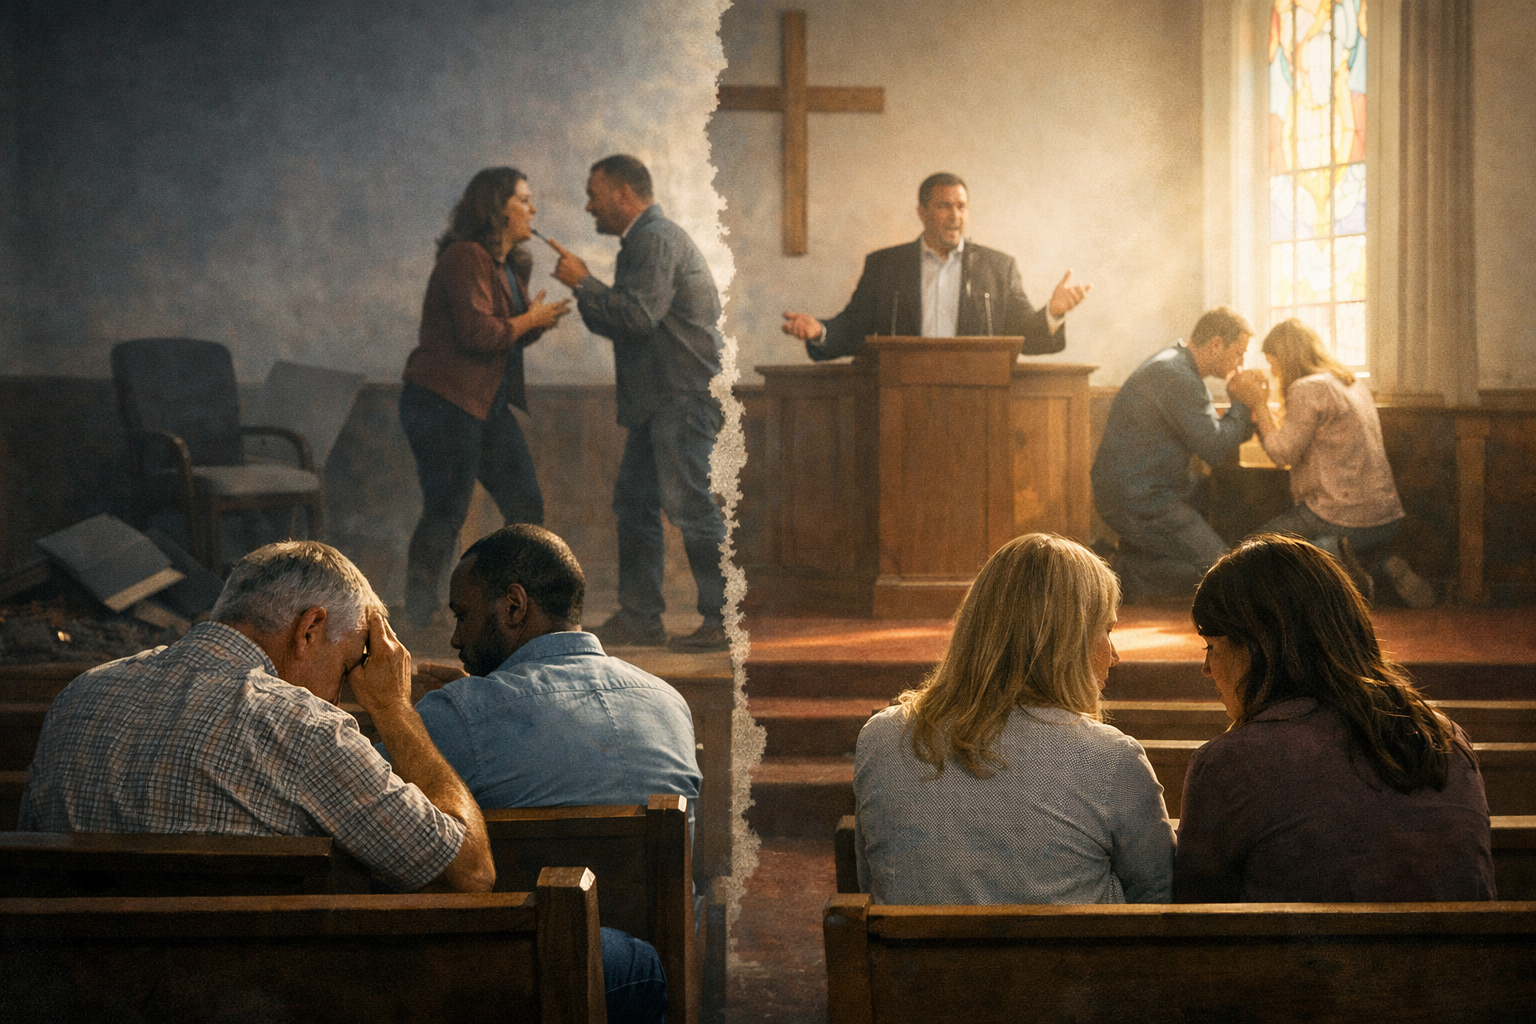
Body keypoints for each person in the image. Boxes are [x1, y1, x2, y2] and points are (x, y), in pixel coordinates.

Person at [20, 540, 496, 895]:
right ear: (309, 629)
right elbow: (469, 874)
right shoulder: (306, 729)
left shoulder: (79, 695)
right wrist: (395, 710)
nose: (342, 693)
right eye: (350, 665)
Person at [392, 523, 695, 1024]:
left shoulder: (459, 716)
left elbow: (362, 792)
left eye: (463, 615)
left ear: (514, 606)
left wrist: (411, 710)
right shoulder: (668, 700)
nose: (454, 637)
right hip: (644, 974)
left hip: (516, 976)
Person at [853, 533, 1174, 905]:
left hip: (915, 963)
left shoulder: (882, 738)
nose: (1114, 654)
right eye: (1107, 629)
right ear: (1066, 640)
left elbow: (874, 885)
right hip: (1069, 964)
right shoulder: (1111, 759)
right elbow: (1158, 899)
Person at [1175, 534, 1495, 902]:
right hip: (1463, 959)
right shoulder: (1443, 736)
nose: (1206, 669)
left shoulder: (1229, 764)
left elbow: (1197, 916)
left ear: (1255, 648)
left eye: (1211, 647)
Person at [545, 154, 729, 652]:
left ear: (625, 195)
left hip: (681, 398)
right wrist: (586, 287)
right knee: (636, 501)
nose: (589, 206)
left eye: (595, 195)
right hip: (663, 400)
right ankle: (642, 618)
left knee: (690, 505)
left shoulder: (654, 239)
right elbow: (628, 321)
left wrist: (583, 281)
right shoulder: (646, 240)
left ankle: (722, 622)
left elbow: (636, 319)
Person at [399, 167, 571, 631]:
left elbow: (502, 341)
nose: (533, 209)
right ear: (496, 208)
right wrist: (529, 321)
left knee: (525, 506)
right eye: (524, 200)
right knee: (448, 509)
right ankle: (419, 615)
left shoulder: (505, 265)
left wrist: (532, 324)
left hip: (483, 403)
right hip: (441, 401)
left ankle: (518, 609)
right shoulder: (465, 257)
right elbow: (477, 334)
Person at [1225, 318, 1434, 607]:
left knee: (1253, 551)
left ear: (1288, 359)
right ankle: (1377, 568)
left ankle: (1332, 557)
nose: (1274, 373)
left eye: (1274, 364)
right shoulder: (1349, 382)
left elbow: (1282, 454)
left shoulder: (1307, 388)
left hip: (1338, 516)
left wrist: (1258, 402)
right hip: (1385, 517)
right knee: (1301, 549)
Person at [780, 172, 1090, 360]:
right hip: (902, 400)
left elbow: (1025, 337)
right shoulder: (886, 266)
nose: (955, 215)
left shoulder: (998, 268)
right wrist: (820, 330)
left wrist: (1053, 312)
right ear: (922, 212)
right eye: (944, 206)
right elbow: (854, 327)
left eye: (961, 206)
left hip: (978, 404)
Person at [1091, 306, 1265, 602]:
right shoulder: (1177, 375)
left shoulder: (1178, 367)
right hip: (1139, 500)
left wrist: (1246, 411)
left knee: (1232, 503)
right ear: (1215, 344)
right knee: (1221, 575)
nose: (1241, 362)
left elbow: (1214, 437)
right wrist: (1240, 402)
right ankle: (1120, 570)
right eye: (1239, 352)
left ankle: (1134, 557)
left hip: (1153, 489)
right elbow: (1214, 447)